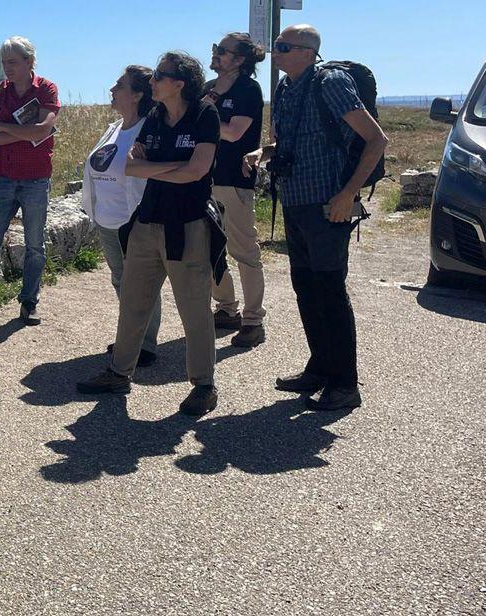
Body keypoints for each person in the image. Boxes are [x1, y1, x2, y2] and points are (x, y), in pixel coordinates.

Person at [244, 24, 387, 411]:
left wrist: (347, 194)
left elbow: (376, 140)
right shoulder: (286, 88)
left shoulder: (331, 82)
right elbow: (287, 142)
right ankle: (320, 368)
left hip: (328, 206)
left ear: (308, 52)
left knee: (329, 291)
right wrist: (265, 154)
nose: (277, 51)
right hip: (295, 202)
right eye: (277, 45)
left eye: (284, 46)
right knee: (306, 288)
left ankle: (344, 384)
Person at [77, 52, 224, 416]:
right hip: (147, 223)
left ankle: (204, 386)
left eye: (160, 76)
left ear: (180, 83)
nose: (153, 81)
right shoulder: (155, 117)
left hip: (187, 226)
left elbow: (198, 171)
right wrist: (175, 167)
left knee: (194, 311)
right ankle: (119, 372)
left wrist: (155, 167)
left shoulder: (205, 115)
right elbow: (131, 167)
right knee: (132, 301)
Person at [0, 37, 59, 329]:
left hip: (36, 177)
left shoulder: (47, 89)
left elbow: (43, 129)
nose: (7, 68)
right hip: (3, 177)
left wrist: (5, 127)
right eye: (4, 62)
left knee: (34, 245)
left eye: (13, 62)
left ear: (30, 61)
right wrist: (24, 133)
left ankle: (29, 303)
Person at [80, 66, 160, 366]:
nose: (112, 89)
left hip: (134, 219)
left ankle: (146, 344)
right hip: (106, 219)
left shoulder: (149, 129)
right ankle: (131, 335)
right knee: (121, 280)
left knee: (142, 282)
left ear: (138, 94)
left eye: (120, 85)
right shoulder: (114, 127)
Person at [202, 33, 268, 348]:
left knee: (244, 252)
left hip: (234, 180)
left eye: (222, 51)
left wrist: (203, 116)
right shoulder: (207, 89)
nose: (215, 54)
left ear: (239, 60)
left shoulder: (248, 90)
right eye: (215, 48)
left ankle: (253, 320)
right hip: (204, 179)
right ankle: (227, 308)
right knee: (208, 248)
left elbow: (234, 132)